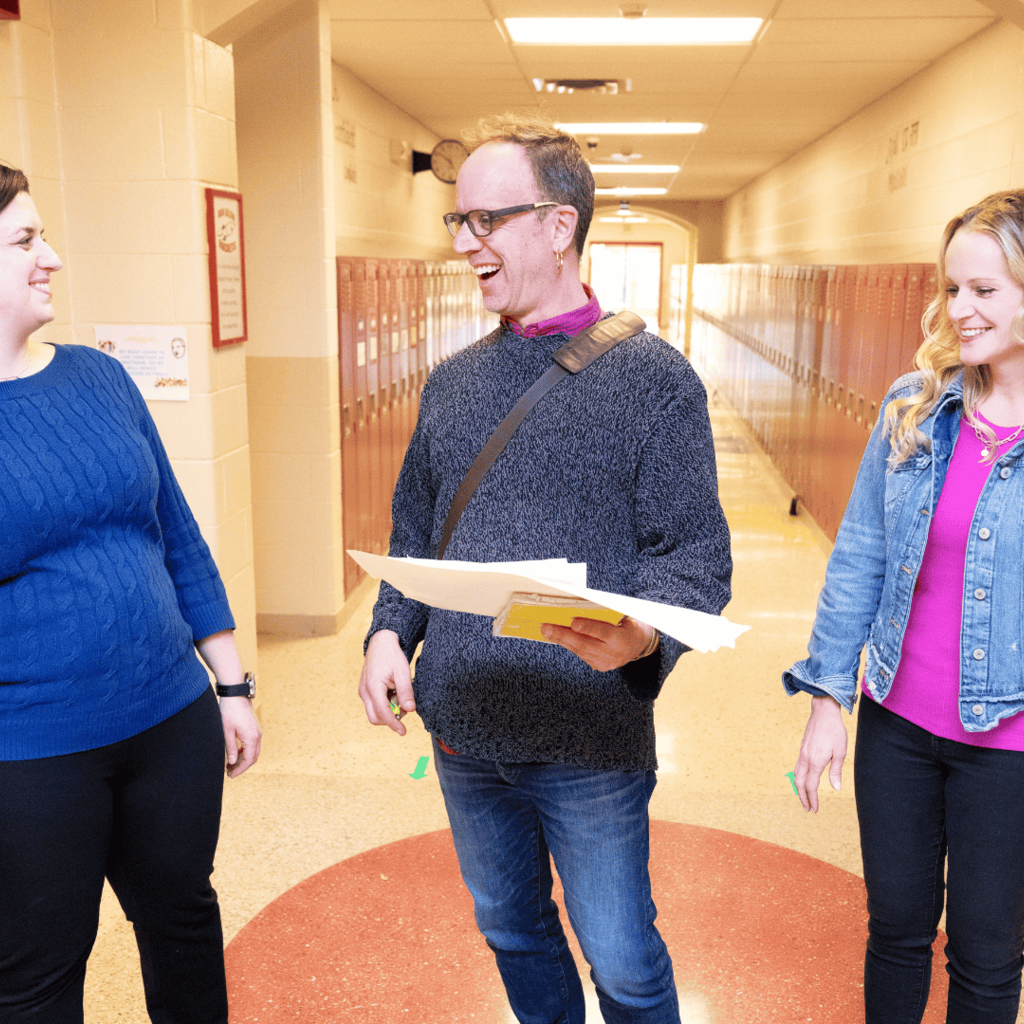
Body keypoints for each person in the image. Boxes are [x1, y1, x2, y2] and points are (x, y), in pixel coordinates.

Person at [357, 114, 731, 1024]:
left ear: (558, 226)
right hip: (465, 725)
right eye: (459, 222)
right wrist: (385, 631)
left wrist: (642, 636)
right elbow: (417, 530)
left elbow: (697, 557)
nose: (465, 244)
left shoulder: (655, 381)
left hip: (587, 736)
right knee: (512, 929)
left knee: (623, 957)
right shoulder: (449, 383)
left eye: (486, 221)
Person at [0, 164, 262, 1023]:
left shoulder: (98, 378)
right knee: (41, 968)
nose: (53, 259)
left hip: (170, 717)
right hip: (31, 751)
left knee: (184, 919)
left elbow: (175, 531)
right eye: (26, 241)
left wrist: (230, 682)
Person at [786, 190, 1024, 1023]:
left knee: (989, 958)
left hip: (1011, 745)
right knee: (894, 931)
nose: (960, 310)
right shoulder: (916, 406)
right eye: (952, 288)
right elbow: (859, 556)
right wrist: (828, 697)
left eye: (985, 291)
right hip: (898, 723)